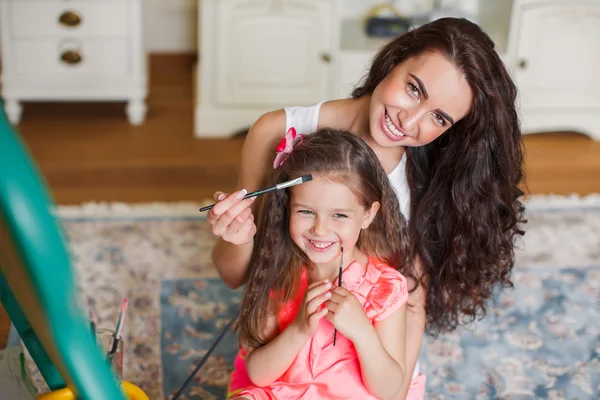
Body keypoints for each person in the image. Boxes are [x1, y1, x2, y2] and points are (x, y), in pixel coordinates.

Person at [208, 17, 525, 399]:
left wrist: (394, 389)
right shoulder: (274, 131)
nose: (409, 120)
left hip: (372, 361)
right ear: (393, 61)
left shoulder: (427, 178)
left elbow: (411, 305)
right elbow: (236, 277)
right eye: (413, 89)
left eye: (438, 118)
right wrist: (237, 237)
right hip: (286, 343)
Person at [229, 129, 422, 399]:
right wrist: (298, 330)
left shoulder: (384, 289)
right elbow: (259, 375)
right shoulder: (279, 271)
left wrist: (362, 332)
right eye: (306, 212)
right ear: (288, 208)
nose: (320, 230)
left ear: (368, 215)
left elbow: (390, 391)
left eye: (339, 215)